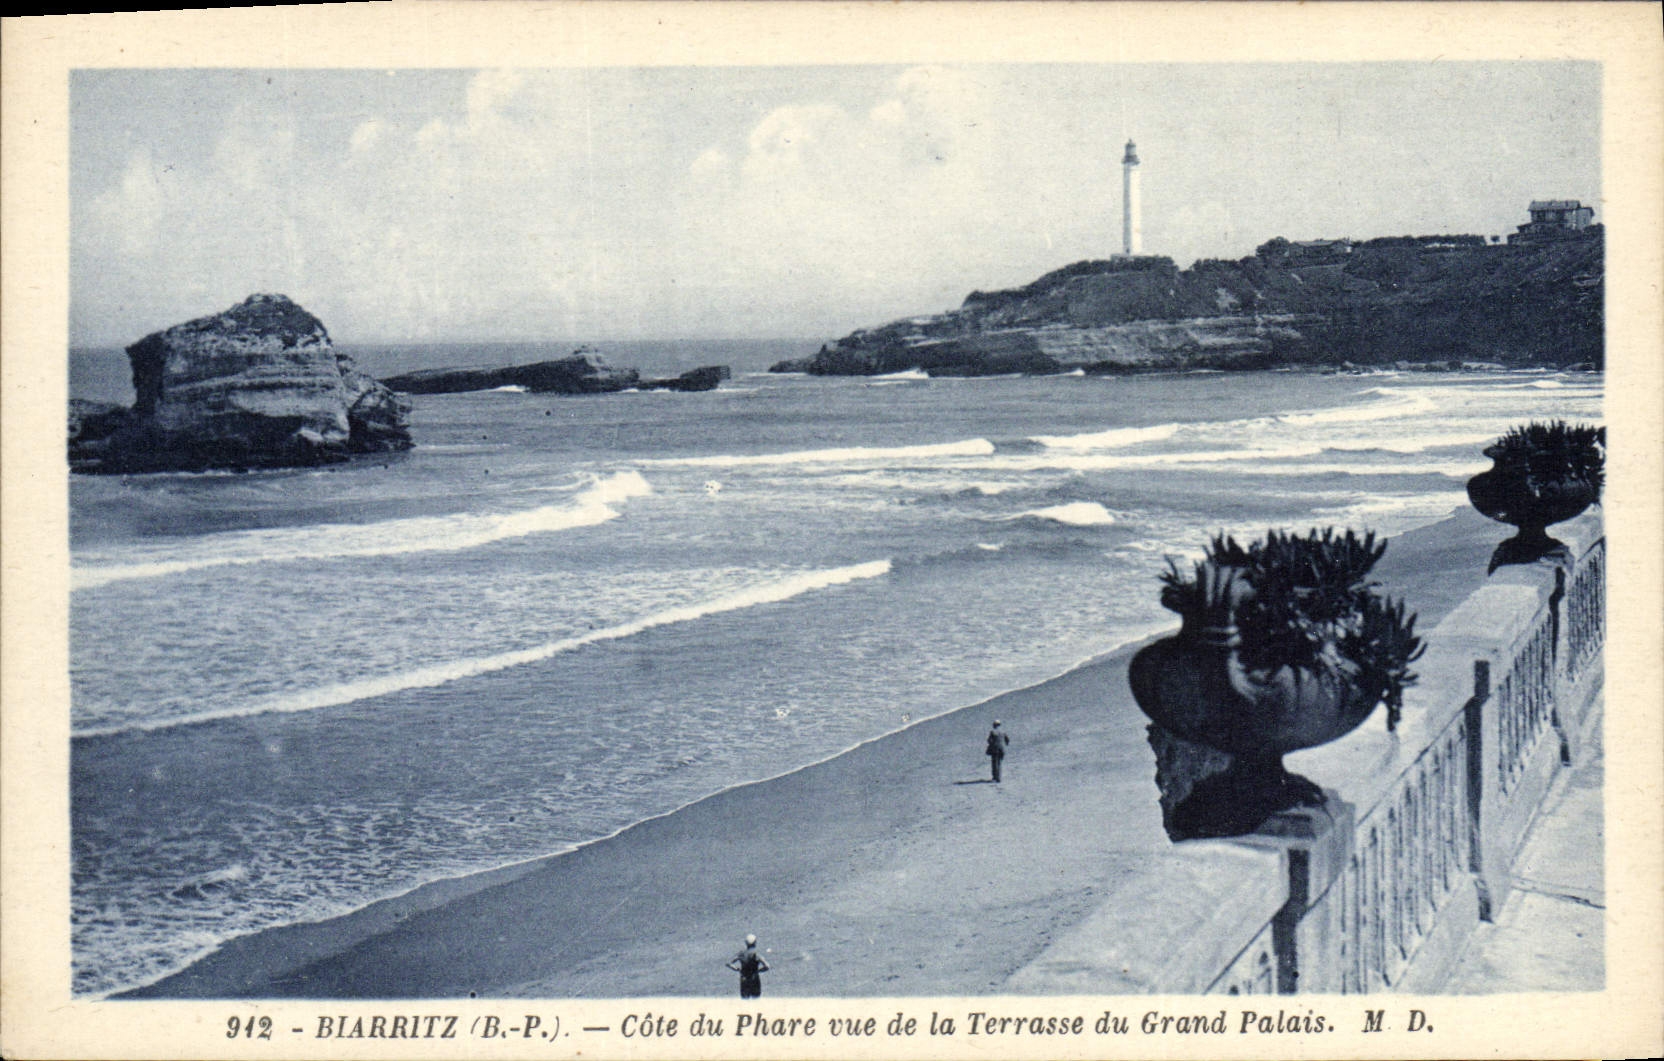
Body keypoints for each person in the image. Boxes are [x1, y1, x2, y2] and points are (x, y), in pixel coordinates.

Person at [727, 933, 770, 998]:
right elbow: (767, 966)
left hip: (744, 979)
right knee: (755, 999)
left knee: (745, 999)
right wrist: (759, 970)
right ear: (755, 942)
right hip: (754, 979)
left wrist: (737, 969)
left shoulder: (741, 954)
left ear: (746, 943)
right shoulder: (756, 954)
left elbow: (729, 963)